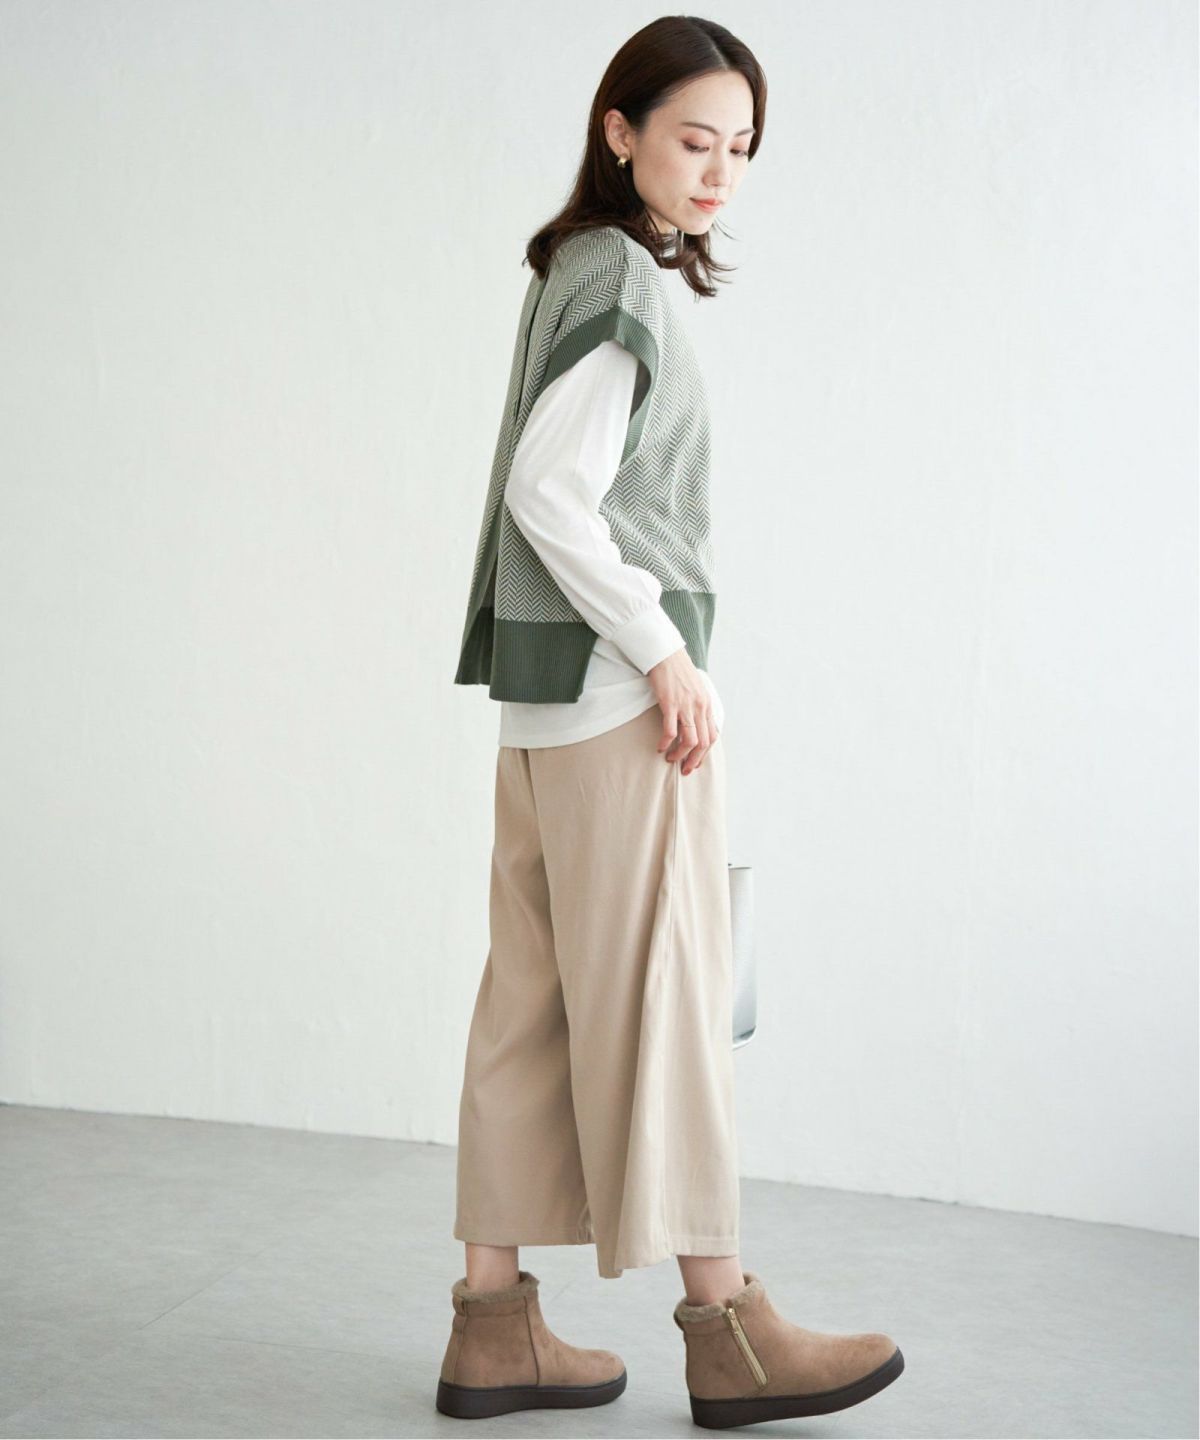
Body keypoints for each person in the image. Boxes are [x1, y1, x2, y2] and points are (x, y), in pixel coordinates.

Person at [439, 15, 905, 1429]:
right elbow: (550, 492)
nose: (719, 171)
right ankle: (730, 1331)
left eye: (741, 149)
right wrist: (662, 653)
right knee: (673, 1007)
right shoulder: (621, 280)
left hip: (545, 713)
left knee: (529, 1010)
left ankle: (493, 1331)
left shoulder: (576, 267)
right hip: (613, 702)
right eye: (695, 138)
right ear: (620, 129)